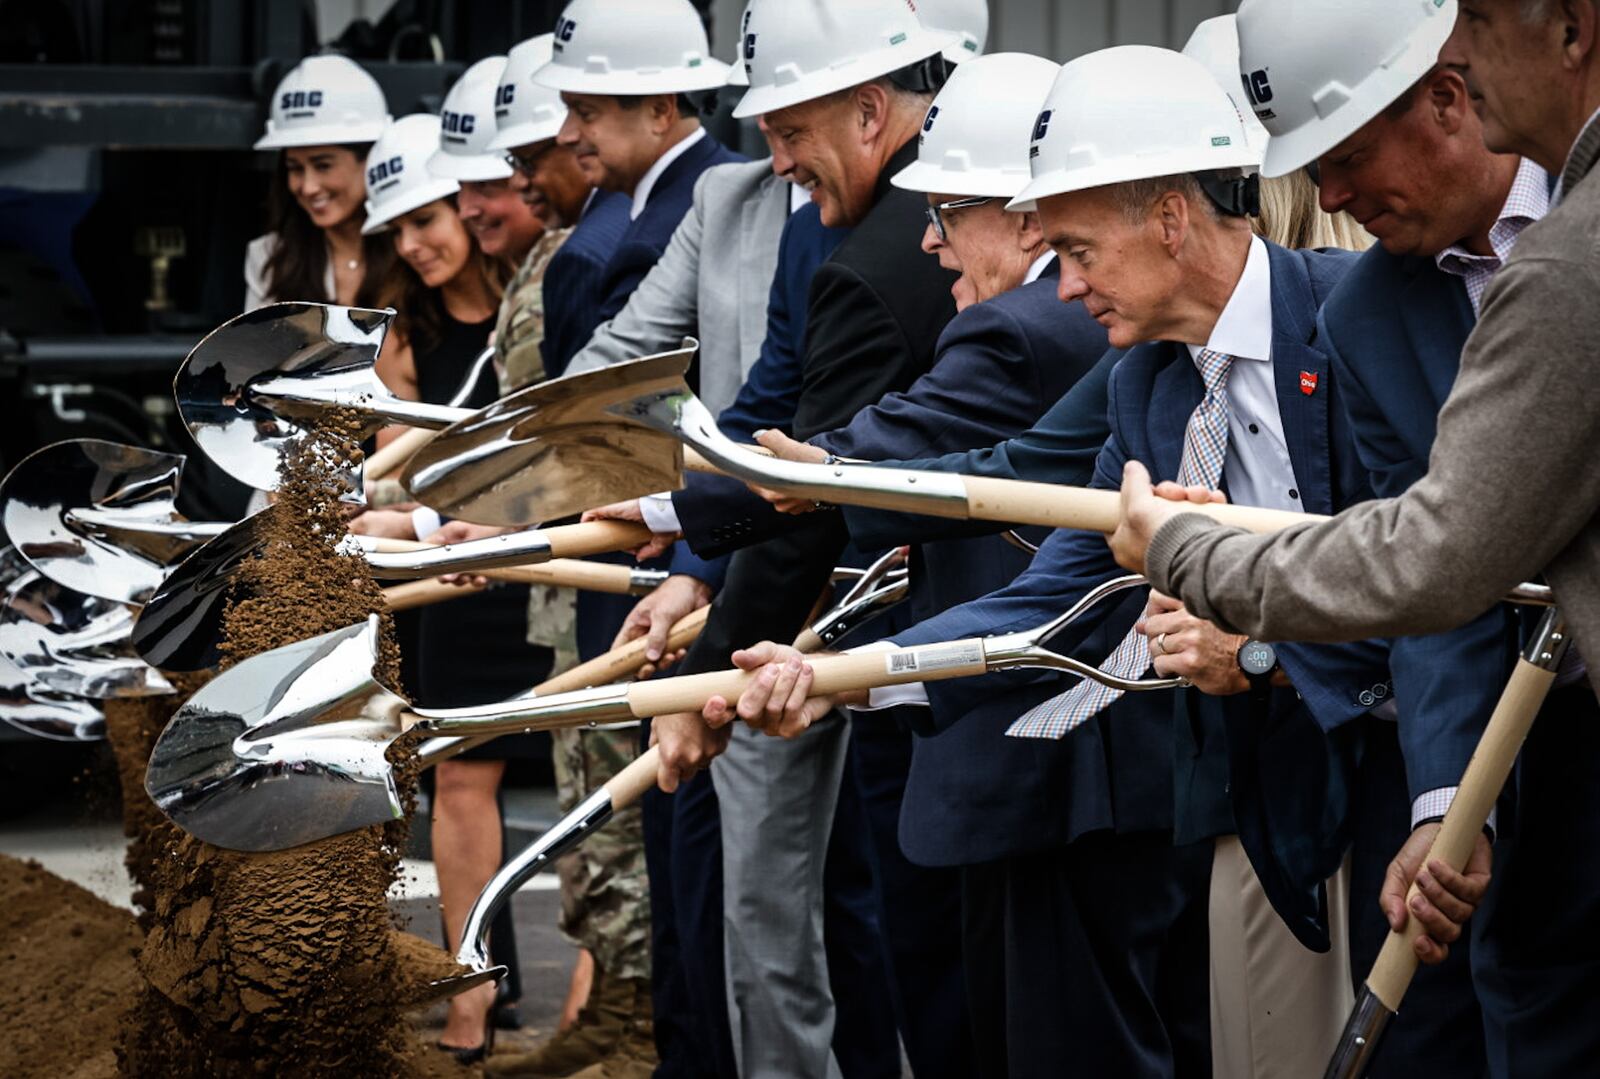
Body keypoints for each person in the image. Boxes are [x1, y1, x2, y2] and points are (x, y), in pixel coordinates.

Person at [711, 43, 1396, 1075]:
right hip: (1274, 807)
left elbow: (1444, 568)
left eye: (1076, 249)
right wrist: (837, 678)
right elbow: (1054, 599)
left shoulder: (1365, 318)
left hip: (1424, 787)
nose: (1062, 287)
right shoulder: (1145, 386)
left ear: (1168, 216)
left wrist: (1265, 651)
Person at [1115, 2, 1600, 1074]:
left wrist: (1198, 564)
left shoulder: (1584, 237)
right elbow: (1432, 600)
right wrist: (1443, 803)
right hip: (1531, 777)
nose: (1326, 199)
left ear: (1444, 98)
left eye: (1342, 160)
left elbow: (1426, 549)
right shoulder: (1368, 316)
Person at [344, 112, 541, 1066]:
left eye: (429, 217)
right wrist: (415, 514)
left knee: (602, 770)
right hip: (459, 572)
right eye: (401, 230)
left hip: (552, 550)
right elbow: (396, 467)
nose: (416, 243)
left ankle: (605, 986)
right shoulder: (408, 328)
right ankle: (475, 990)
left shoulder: (546, 291)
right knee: (459, 771)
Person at [246, 54, 395, 309]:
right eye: (295, 168)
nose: (308, 186)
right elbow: (257, 349)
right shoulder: (270, 257)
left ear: (371, 158)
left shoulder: (414, 248)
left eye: (323, 165)